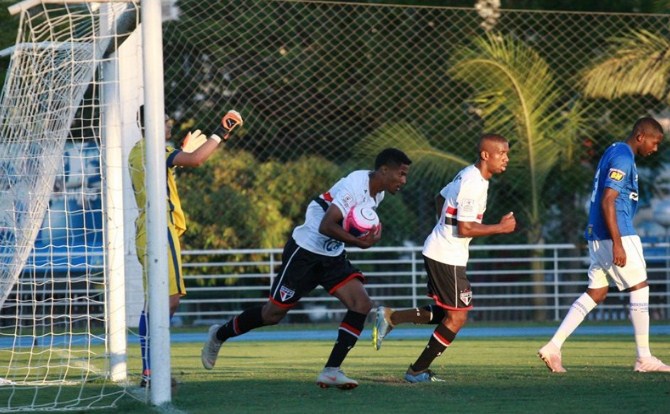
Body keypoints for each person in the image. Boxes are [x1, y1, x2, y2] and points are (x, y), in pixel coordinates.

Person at [200, 148, 412, 390]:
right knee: (272, 315)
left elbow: (347, 226)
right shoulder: (355, 185)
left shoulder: (378, 195)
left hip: (331, 256)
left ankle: (331, 371)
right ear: (384, 170)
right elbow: (326, 225)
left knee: (361, 305)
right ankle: (219, 334)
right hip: (305, 252)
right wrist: (359, 242)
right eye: (401, 174)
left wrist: (362, 234)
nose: (404, 181)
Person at [373, 134, 516, 383]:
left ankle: (391, 317)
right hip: (446, 255)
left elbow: (439, 197)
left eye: (506, 153)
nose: (506, 158)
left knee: (447, 313)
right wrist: (500, 228)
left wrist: (442, 227)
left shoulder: (468, 174)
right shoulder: (474, 182)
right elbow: (466, 228)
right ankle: (416, 371)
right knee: (457, 316)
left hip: (445, 251)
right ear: (485, 155)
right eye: (501, 153)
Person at [538, 117, 669, 373]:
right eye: (655, 141)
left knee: (597, 292)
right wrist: (618, 243)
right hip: (615, 233)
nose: (655, 148)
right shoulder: (623, 157)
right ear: (641, 136)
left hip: (597, 234)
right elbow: (609, 200)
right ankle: (644, 358)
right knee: (639, 286)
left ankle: (553, 346)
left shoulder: (614, 150)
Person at [129, 107, 243, 387]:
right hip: (159, 228)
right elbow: (197, 160)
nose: (170, 127)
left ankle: (150, 372)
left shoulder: (139, 150)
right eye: (167, 123)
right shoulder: (154, 150)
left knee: (156, 302)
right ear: (155, 124)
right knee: (167, 301)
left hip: (148, 228)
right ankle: (153, 372)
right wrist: (221, 132)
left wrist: (177, 155)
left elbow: (168, 170)